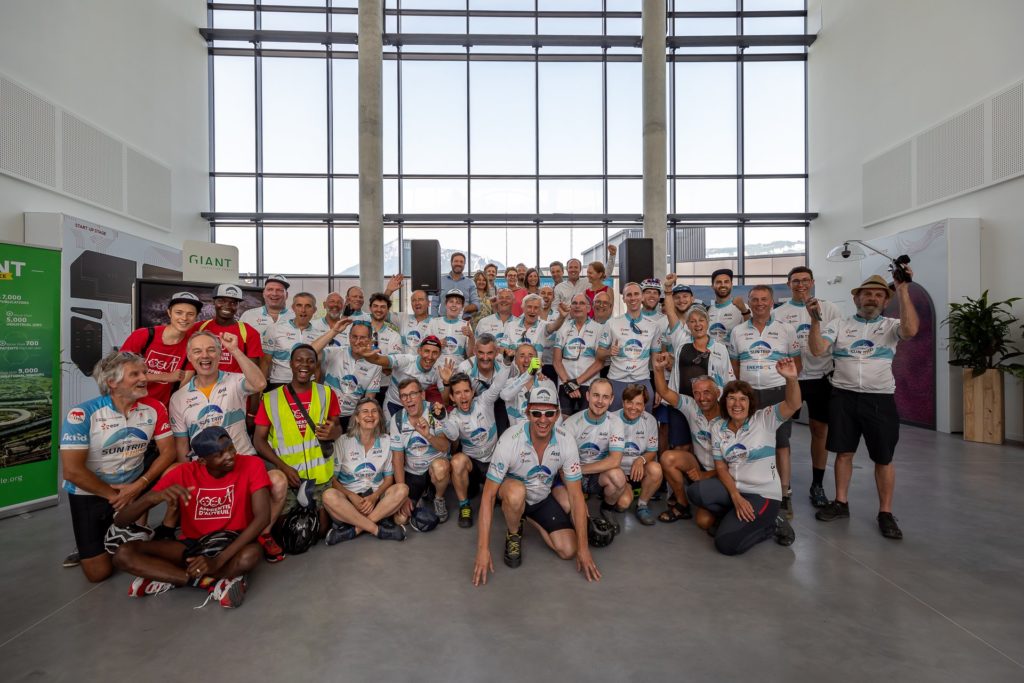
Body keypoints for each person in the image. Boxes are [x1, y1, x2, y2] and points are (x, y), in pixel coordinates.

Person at [807, 272, 919, 540]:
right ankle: (841, 502)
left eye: (879, 295)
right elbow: (818, 349)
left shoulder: (891, 325)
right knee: (843, 453)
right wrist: (815, 321)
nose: (872, 298)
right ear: (856, 298)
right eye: (867, 294)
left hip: (879, 399)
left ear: (886, 301)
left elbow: (911, 331)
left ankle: (885, 512)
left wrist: (903, 290)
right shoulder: (839, 324)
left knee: (883, 458)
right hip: (843, 397)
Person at [110, 426, 273, 607]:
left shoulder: (252, 464)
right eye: (219, 454)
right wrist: (151, 498)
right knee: (123, 555)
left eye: (231, 448)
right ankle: (207, 582)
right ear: (202, 461)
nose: (229, 456)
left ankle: (168, 575)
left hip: (231, 542)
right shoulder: (183, 473)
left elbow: (263, 518)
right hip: (193, 545)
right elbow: (120, 521)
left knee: (250, 556)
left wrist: (218, 560)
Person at [59, 351, 177, 582]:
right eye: (135, 374)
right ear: (112, 382)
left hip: (134, 484)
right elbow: (72, 471)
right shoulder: (82, 414)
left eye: (144, 372)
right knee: (98, 574)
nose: (144, 378)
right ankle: (110, 533)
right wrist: (114, 496)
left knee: (176, 470)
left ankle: (144, 531)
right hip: (91, 492)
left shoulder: (155, 407)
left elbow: (169, 452)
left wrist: (138, 485)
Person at [169, 331, 286, 562]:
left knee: (279, 482)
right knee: (174, 477)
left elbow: (260, 383)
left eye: (211, 350)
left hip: (243, 458)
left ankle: (263, 534)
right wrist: (187, 476)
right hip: (206, 467)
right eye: (198, 351)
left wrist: (235, 350)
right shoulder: (179, 398)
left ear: (220, 353)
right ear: (189, 357)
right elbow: (182, 444)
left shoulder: (234, 380)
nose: (205, 356)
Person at [472, 385, 600, 585]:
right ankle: (514, 532)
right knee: (516, 493)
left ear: (557, 414)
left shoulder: (566, 441)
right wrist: (482, 549)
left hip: (541, 496)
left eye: (549, 413)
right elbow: (488, 496)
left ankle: (526, 517)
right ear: (527, 413)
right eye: (537, 413)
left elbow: (576, 496)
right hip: (513, 491)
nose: (543, 419)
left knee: (569, 550)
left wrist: (584, 549)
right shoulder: (509, 440)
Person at [685, 359, 800, 555]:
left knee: (726, 544)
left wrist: (791, 379)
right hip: (735, 489)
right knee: (696, 491)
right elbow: (721, 467)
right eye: (731, 398)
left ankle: (771, 524)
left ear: (750, 402)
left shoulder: (765, 419)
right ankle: (734, 515)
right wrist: (735, 496)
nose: (737, 404)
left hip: (762, 494)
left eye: (743, 399)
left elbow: (793, 404)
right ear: (725, 402)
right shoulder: (718, 427)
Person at [728, 284, 801, 518]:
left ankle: (784, 493)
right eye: (755, 299)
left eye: (764, 299)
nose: (759, 303)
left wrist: (788, 382)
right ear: (749, 303)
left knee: (781, 443)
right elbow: (735, 366)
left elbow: (797, 365)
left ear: (772, 302)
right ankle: (750, 489)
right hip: (748, 395)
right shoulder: (738, 331)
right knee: (749, 441)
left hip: (777, 392)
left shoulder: (786, 329)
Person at [253, 345, 343, 533]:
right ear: (291, 363)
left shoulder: (326, 393)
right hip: (289, 475)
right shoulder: (271, 398)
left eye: (310, 361)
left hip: (319, 476)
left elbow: (337, 428)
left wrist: (333, 432)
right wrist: (283, 467)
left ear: (316, 365)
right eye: (299, 360)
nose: (304, 365)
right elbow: (258, 441)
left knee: (319, 530)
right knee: (286, 532)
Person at [774, 266, 843, 508]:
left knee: (819, 430)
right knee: (782, 433)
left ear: (812, 282)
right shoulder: (779, 313)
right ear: (788, 284)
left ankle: (817, 484)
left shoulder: (830, 308)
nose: (800, 284)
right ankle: (783, 484)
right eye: (795, 281)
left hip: (820, 376)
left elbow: (838, 341)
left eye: (805, 280)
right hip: (789, 379)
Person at [321, 398, 409, 543]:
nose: (370, 415)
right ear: (357, 418)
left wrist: (374, 496)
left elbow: (388, 479)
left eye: (374, 411)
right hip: (349, 502)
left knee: (402, 489)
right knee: (328, 495)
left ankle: (354, 530)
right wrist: (351, 496)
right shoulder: (342, 441)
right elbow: (333, 480)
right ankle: (377, 529)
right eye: (365, 412)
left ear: (379, 416)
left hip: (376, 502)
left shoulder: (386, 441)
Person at [652, 359, 723, 530]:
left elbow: (737, 463)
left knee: (704, 522)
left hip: (723, 472)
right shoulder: (692, 406)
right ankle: (682, 504)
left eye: (707, 392)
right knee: (667, 458)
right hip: (698, 465)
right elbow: (664, 391)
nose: (701, 398)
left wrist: (706, 475)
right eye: (697, 393)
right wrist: (659, 370)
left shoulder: (729, 415)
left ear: (718, 393)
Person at [440, 370, 510, 527]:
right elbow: (453, 435)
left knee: (504, 497)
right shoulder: (453, 416)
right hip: (473, 467)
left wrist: (506, 362)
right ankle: (464, 506)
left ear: (473, 392)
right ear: (452, 397)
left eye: (466, 391)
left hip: (495, 462)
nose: (463, 396)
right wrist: (442, 419)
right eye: (458, 393)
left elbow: (498, 385)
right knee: (457, 461)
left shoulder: (484, 401)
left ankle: (490, 490)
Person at [556, 379, 628, 519]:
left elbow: (615, 461)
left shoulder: (616, 422)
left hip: (595, 473)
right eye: (596, 395)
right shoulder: (570, 424)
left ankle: (607, 509)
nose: (600, 401)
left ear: (611, 399)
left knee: (618, 478)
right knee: (569, 508)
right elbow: (562, 468)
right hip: (571, 475)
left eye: (605, 397)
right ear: (588, 396)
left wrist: (581, 469)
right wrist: (580, 506)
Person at [389, 378, 453, 526]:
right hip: (413, 473)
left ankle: (438, 498)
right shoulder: (397, 419)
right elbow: (397, 459)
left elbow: (445, 447)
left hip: (434, 468)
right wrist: (402, 494)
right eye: (404, 396)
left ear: (422, 395)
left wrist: (428, 435)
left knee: (440, 467)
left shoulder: (435, 410)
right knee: (401, 519)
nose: (408, 399)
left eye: (412, 394)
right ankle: (423, 493)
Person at [120, 291, 202, 407]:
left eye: (190, 314)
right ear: (169, 312)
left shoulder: (192, 345)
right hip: (130, 405)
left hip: (162, 410)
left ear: (196, 317)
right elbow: (120, 373)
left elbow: (183, 387)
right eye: (179, 312)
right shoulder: (143, 335)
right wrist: (165, 376)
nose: (184, 318)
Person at [597, 282, 664, 411]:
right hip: (616, 381)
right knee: (614, 421)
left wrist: (659, 389)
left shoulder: (653, 326)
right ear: (623, 298)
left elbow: (656, 362)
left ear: (642, 297)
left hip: (642, 381)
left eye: (636, 294)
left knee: (644, 420)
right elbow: (599, 353)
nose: (633, 298)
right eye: (629, 295)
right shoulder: (612, 323)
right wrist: (609, 352)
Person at [312, 319, 383, 432]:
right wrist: (334, 331)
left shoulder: (376, 364)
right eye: (354, 336)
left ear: (370, 339)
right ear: (349, 337)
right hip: (324, 412)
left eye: (363, 338)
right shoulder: (335, 352)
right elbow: (309, 351)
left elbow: (368, 399)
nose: (357, 341)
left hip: (350, 417)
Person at [613, 384, 663, 526]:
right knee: (623, 504)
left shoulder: (650, 420)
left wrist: (640, 460)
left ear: (644, 406)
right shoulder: (611, 419)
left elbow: (652, 451)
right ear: (623, 402)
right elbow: (605, 453)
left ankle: (642, 504)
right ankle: (625, 490)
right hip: (617, 471)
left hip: (639, 470)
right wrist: (617, 471)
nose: (633, 407)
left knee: (656, 469)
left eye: (638, 404)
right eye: (629, 402)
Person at [361, 335, 444, 417]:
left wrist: (446, 382)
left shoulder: (438, 370)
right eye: (426, 351)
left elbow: (445, 400)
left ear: (439, 354)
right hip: (393, 404)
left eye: (435, 353)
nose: (430, 356)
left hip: (415, 408)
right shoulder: (406, 360)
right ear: (419, 351)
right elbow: (378, 359)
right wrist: (367, 355)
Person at [191, 284, 263, 374]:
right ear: (213, 302)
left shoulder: (249, 332)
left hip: (236, 382)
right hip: (203, 381)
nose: (227, 306)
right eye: (221, 301)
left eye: (233, 303)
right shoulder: (198, 328)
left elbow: (253, 371)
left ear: (238, 305)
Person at [552, 293, 605, 416]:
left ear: (589, 308)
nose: (577, 306)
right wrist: (568, 383)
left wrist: (576, 383)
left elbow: (599, 363)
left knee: (587, 421)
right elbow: (556, 361)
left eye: (582, 303)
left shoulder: (599, 329)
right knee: (564, 421)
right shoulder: (563, 328)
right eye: (574, 303)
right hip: (565, 383)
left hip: (589, 384)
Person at [260, 292, 323, 390]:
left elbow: (317, 366)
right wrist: (260, 390)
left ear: (314, 310)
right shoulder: (275, 329)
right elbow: (265, 362)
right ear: (293, 308)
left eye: (308, 306)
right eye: (299, 305)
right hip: (279, 383)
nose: (303, 310)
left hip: (308, 384)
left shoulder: (320, 335)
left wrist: (316, 390)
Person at [500, 343, 557, 427]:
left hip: (542, 432)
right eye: (522, 356)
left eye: (531, 356)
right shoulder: (509, 383)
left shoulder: (547, 383)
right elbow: (505, 396)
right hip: (516, 433)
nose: (526, 360)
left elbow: (557, 414)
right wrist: (529, 373)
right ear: (515, 361)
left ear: (537, 360)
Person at [500, 293, 563, 366]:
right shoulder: (511, 325)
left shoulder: (543, 325)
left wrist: (562, 317)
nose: (532, 311)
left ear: (540, 310)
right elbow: (502, 348)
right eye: (529, 307)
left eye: (536, 308)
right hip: (512, 370)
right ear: (523, 308)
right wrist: (511, 353)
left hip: (534, 371)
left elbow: (554, 326)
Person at [428, 289, 475, 361]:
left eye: (458, 303)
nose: (454, 305)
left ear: (462, 306)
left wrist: (471, 337)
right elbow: (424, 347)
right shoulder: (434, 322)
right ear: (445, 304)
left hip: (458, 366)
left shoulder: (466, 325)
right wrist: (436, 344)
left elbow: (470, 355)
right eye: (451, 301)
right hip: (436, 366)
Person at [707, 268, 750, 343]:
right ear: (712, 286)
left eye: (726, 282)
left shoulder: (742, 307)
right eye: (719, 282)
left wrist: (744, 311)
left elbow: (751, 331)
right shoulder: (707, 310)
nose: (723, 285)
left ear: (731, 285)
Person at [433, 252, 480, 317]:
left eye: (461, 262)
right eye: (456, 261)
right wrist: (434, 319)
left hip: (464, 320)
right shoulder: (440, 281)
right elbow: (434, 303)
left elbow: (476, 304)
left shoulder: (470, 283)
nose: (458, 264)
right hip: (442, 320)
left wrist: (461, 309)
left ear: (464, 264)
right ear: (451, 263)